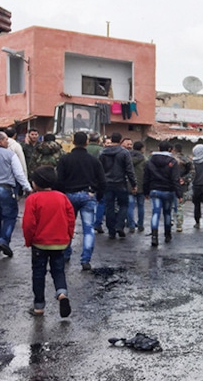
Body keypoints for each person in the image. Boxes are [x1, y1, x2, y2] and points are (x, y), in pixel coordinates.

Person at [22, 166, 75, 317]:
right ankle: (62, 294)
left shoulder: (33, 199)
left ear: (36, 183)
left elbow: (28, 224)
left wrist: (29, 240)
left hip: (40, 243)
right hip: (60, 242)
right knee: (58, 270)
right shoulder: (62, 197)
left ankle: (39, 306)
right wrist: (68, 236)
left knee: (38, 273)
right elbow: (70, 219)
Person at [56, 131, 107, 271]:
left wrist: (61, 194)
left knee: (67, 227)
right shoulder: (94, 161)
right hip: (87, 195)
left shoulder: (65, 159)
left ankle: (66, 253)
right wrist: (97, 195)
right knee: (88, 229)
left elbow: (59, 180)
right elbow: (102, 181)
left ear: (73, 142)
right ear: (86, 142)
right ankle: (86, 260)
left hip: (69, 196)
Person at [98, 132, 136, 239]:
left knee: (109, 206)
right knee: (123, 205)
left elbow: (99, 170)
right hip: (121, 183)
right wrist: (134, 184)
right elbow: (129, 170)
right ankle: (119, 225)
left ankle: (111, 231)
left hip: (107, 183)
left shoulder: (102, 153)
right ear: (120, 141)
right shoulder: (124, 153)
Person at [143, 141, 182, 247]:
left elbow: (146, 178)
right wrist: (179, 194)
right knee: (167, 213)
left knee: (155, 212)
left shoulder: (150, 161)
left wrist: (145, 191)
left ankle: (154, 236)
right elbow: (175, 179)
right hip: (168, 191)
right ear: (170, 149)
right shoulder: (172, 162)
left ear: (158, 148)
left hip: (154, 190)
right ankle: (167, 234)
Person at [171, 143, 193, 233]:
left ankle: (170, 220)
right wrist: (184, 179)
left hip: (171, 185)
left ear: (173, 149)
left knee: (169, 204)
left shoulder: (171, 159)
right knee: (180, 206)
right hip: (182, 186)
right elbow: (192, 172)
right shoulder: (187, 159)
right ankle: (179, 225)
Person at [127, 141, 147, 233]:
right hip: (141, 185)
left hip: (129, 185)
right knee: (141, 206)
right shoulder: (144, 159)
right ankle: (140, 225)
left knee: (130, 206)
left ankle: (131, 225)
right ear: (142, 148)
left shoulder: (127, 157)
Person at [5, 127, 29, 196]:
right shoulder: (16, 145)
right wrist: (25, 179)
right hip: (14, 176)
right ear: (15, 135)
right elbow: (22, 162)